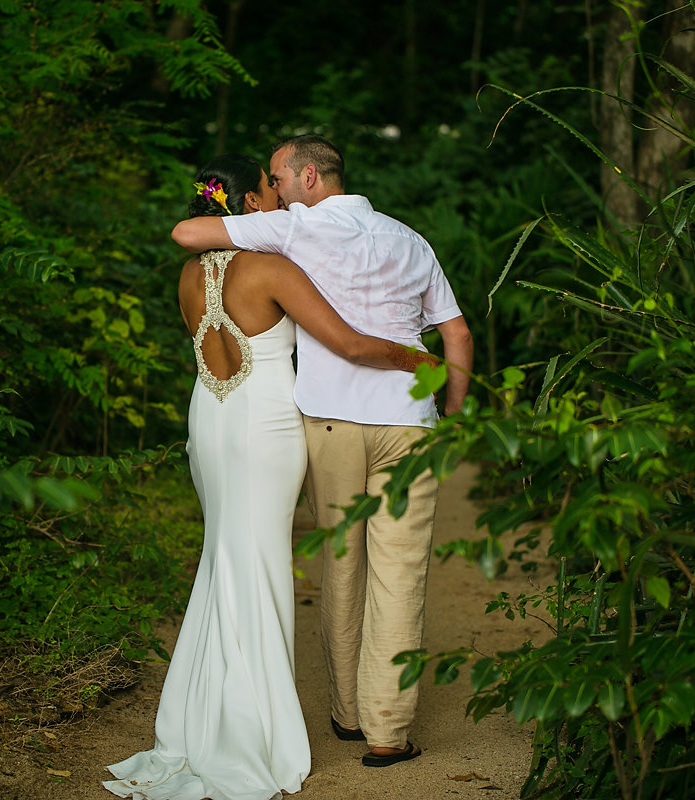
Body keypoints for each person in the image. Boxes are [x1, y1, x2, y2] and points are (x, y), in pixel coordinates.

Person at [103, 153, 437, 800]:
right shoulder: (274, 268)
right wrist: (417, 360)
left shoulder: (188, 275)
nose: (280, 199)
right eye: (269, 189)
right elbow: (347, 344)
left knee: (225, 561)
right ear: (250, 203)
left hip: (211, 419)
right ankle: (253, 733)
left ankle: (206, 719)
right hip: (266, 426)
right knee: (258, 565)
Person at [171, 135, 473, 769]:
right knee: (400, 574)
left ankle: (346, 715)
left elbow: (190, 233)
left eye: (280, 179)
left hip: (330, 423)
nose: (276, 191)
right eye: (268, 184)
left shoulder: (290, 231)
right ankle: (388, 730)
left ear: (307, 177)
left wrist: (244, 214)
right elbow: (456, 330)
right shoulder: (410, 238)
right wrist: (451, 402)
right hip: (407, 423)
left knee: (341, 566)